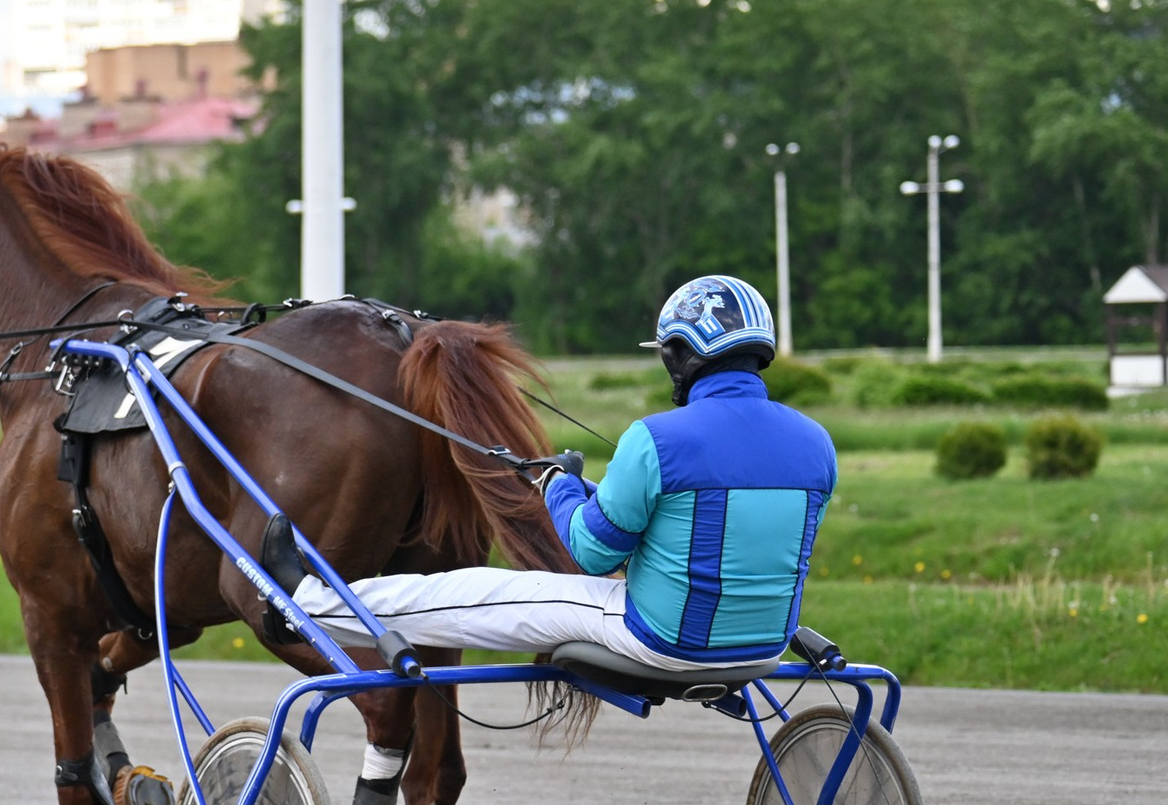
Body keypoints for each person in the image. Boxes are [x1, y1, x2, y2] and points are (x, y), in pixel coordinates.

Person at [288, 275, 837, 674]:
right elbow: (712, 527)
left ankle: (306, 603)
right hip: (765, 645)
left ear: (679, 355)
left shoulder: (657, 439)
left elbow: (591, 554)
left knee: (477, 591)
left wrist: (560, 486)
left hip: (663, 641)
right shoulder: (817, 443)